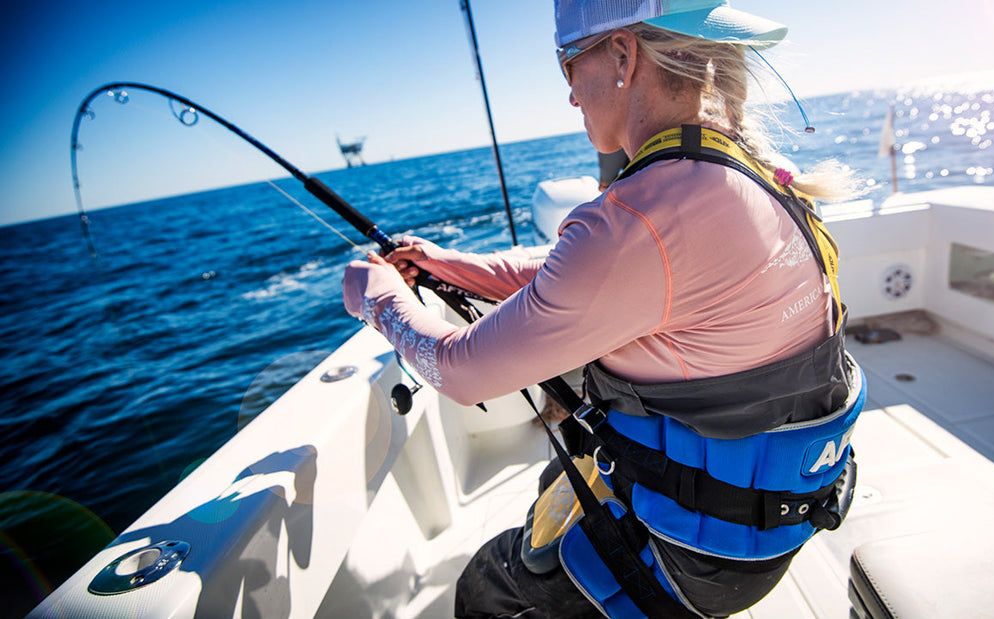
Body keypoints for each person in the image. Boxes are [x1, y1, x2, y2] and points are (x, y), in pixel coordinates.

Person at [343, 1, 865, 617]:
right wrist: (450, 264)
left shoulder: (636, 221)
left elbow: (460, 370)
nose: (569, 95)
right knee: (554, 482)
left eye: (568, 63)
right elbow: (586, 274)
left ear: (622, 55)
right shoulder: (753, 171)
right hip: (771, 521)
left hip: (689, 554)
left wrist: (376, 298)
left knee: (486, 584)